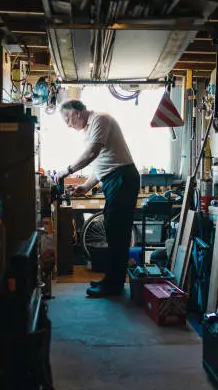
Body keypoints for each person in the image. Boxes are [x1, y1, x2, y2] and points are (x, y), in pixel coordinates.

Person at [56, 99, 140, 298]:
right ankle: (111, 282)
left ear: (78, 112)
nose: (68, 124)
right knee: (113, 232)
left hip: (122, 178)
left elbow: (92, 153)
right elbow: (100, 164)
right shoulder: (89, 129)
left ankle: (113, 286)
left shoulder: (100, 119)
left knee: (116, 233)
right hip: (114, 179)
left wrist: (66, 171)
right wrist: (85, 186)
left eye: (68, 118)